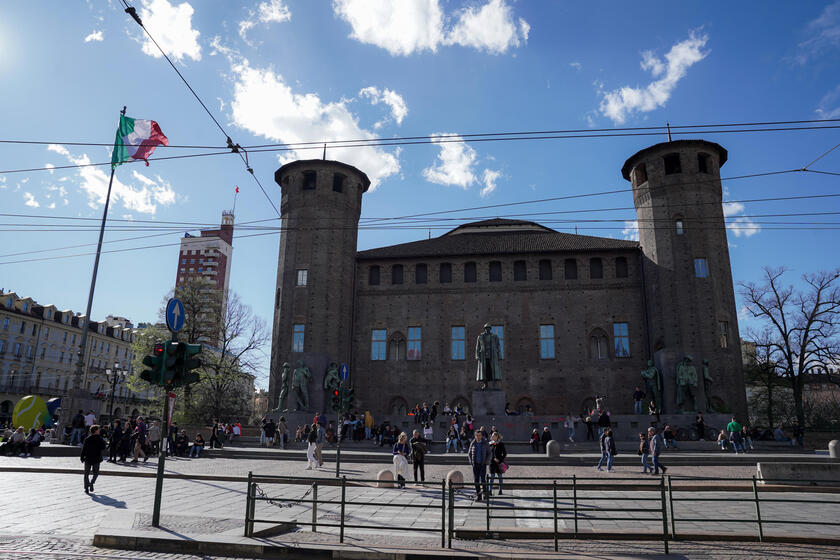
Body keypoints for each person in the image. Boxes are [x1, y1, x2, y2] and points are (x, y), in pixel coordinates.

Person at [80, 425, 106, 494]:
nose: (99, 430)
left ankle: (86, 488)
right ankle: (91, 482)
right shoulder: (100, 438)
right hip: (96, 458)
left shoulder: (87, 439)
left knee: (86, 474)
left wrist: (82, 457)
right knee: (96, 473)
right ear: (96, 431)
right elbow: (103, 447)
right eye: (98, 429)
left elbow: (84, 449)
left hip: (88, 458)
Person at [468, 429, 491, 502]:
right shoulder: (473, 443)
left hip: (482, 464)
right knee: (476, 480)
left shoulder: (485, 443)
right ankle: (479, 496)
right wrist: (471, 462)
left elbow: (489, 453)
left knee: (483, 480)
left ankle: (485, 494)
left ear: (481, 436)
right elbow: (469, 453)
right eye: (476, 436)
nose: (478, 437)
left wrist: (486, 462)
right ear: (475, 436)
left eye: (479, 435)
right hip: (475, 464)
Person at [488, 431, 507, 496]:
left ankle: (500, 490)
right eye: (492, 436)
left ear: (497, 437)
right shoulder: (490, 443)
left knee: (500, 477)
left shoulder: (501, 444)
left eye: (493, 436)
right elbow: (488, 452)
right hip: (492, 463)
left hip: (499, 463)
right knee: (491, 478)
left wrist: (499, 460)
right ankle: (490, 491)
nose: (492, 437)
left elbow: (504, 454)